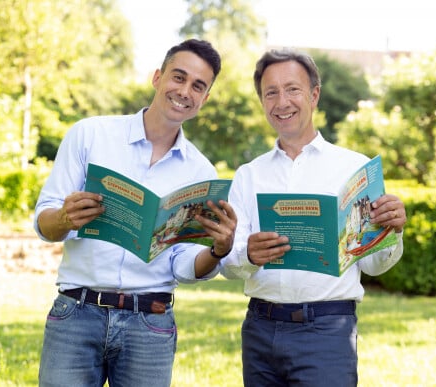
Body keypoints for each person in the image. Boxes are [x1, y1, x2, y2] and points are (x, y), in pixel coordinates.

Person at [34, 39, 236, 387]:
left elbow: (183, 265)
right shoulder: (90, 135)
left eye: (197, 86)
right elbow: (44, 223)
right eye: (178, 77)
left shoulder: (201, 173)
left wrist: (218, 251)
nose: (185, 91)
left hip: (150, 323)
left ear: (204, 100)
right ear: (157, 78)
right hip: (77, 312)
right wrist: (65, 218)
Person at [220, 48, 407, 387]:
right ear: (262, 102)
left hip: (327, 331)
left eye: (292, 89)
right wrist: (248, 254)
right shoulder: (248, 175)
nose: (282, 102)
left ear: (314, 94)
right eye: (270, 93)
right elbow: (229, 266)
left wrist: (392, 230)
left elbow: (375, 265)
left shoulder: (354, 169)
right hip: (260, 329)